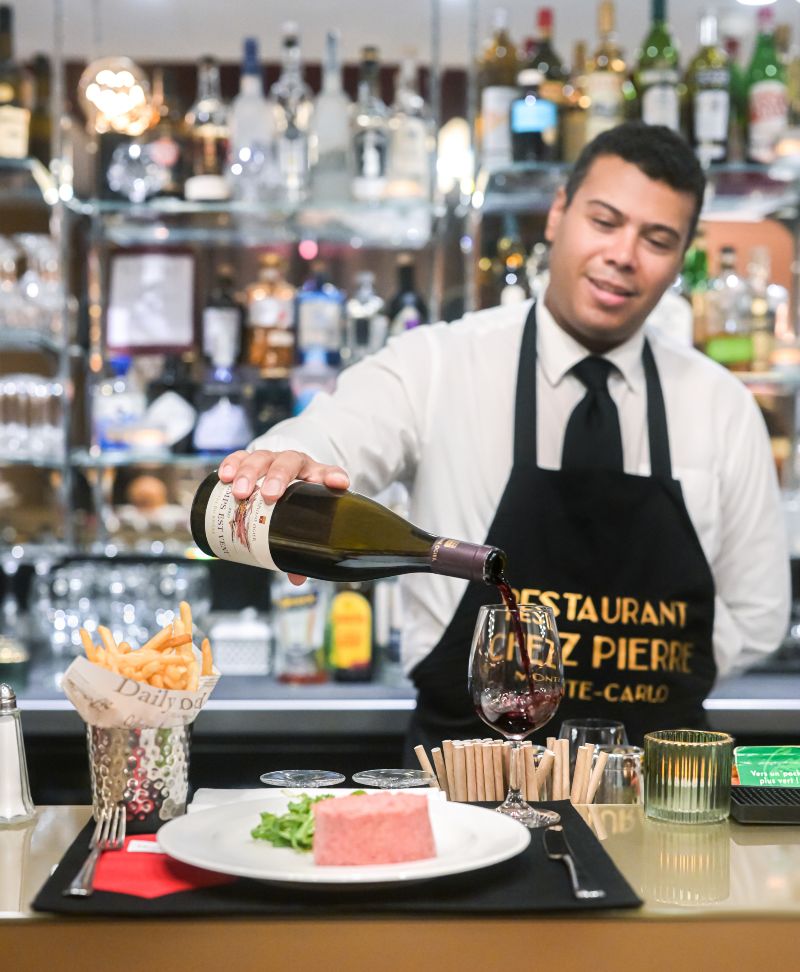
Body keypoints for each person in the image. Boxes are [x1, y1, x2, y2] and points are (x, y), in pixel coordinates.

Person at [219, 122, 790, 750]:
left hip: (658, 792)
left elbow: (759, 615)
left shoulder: (721, 406)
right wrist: (292, 459)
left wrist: (661, 667)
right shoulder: (439, 362)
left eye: (657, 239)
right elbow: (337, 431)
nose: (624, 255)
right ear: (557, 215)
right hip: (465, 780)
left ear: (681, 259)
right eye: (604, 221)